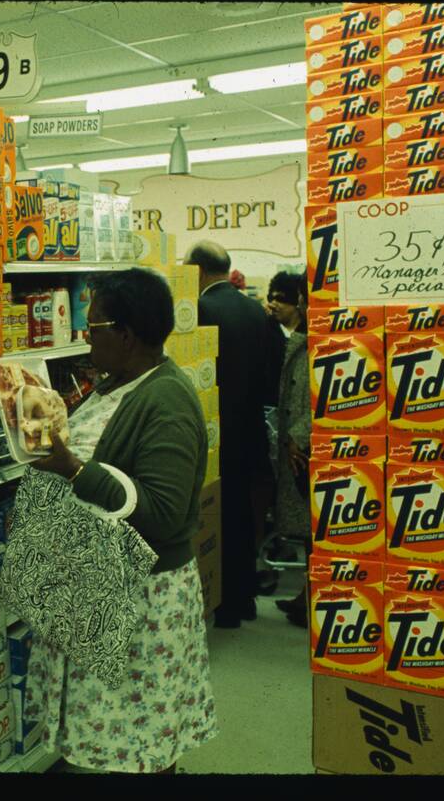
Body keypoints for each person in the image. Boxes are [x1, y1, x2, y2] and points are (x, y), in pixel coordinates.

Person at [25, 267, 217, 774]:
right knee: (116, 738)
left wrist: (75, 470)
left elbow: (164, 513)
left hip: (141, 600)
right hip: (103, 589)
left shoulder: (167, 400)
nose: (86, 337)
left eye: (94, 328)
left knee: (142, 742)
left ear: (126, 335)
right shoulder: (119, 383)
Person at [186, 240, 272, 629]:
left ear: (198, 271)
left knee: (219, 516)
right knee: (245, 514)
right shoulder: (256, 309)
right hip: (252, 428)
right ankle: (245, 595)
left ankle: (227, 605)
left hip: (216, 428)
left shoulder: (202, 310)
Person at [267, 270, 312, 627]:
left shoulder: (316, 340)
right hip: (296, 439)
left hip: (305, 444)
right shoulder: (302, 337)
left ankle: (311, 598)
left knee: (315, 528)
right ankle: (307, 596)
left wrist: (300, 434)